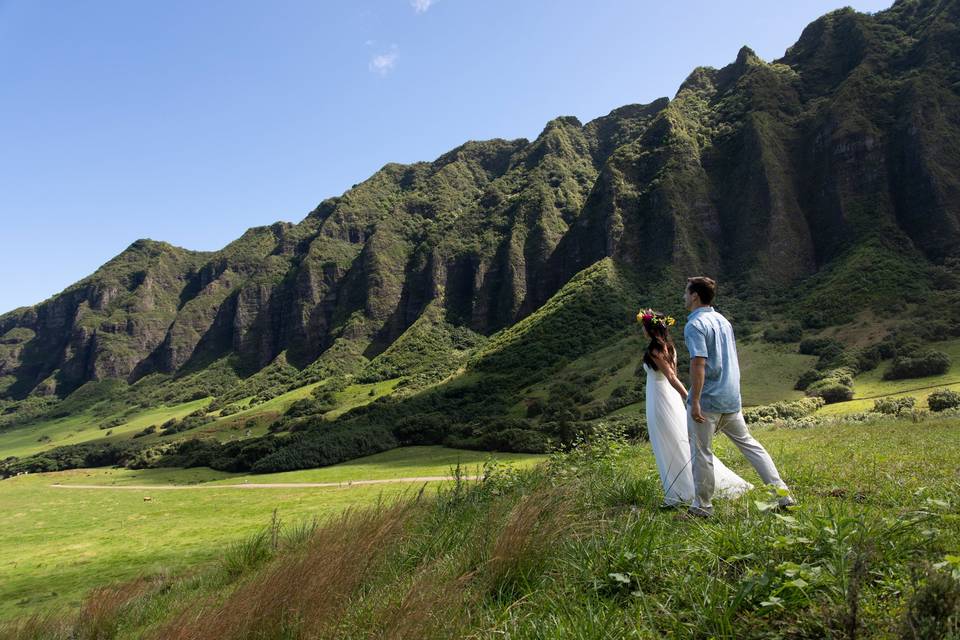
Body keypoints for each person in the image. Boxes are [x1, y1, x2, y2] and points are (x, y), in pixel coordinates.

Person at [682, 276, 796, 518]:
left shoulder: (694, 325)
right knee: (752, 447)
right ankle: (783, 495)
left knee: (702, 453)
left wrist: (696, 401)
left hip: (709, 401)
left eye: (686, 292)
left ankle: (702, 507)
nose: (683, 297)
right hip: (731, 398)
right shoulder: (723, 321)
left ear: (694, 295)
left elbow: (699, 363)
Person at [637, 309, 751, 508]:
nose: (642, 331)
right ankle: (681, 490)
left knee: (667, 443)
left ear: (650, 329)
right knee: (676, 440)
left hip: (660, 400)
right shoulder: (669, 348)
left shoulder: (654, 351)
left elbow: (672, 377)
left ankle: (678, 493)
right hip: (667, 397)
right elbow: (673, 375)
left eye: (644, 328)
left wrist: (688, 397)